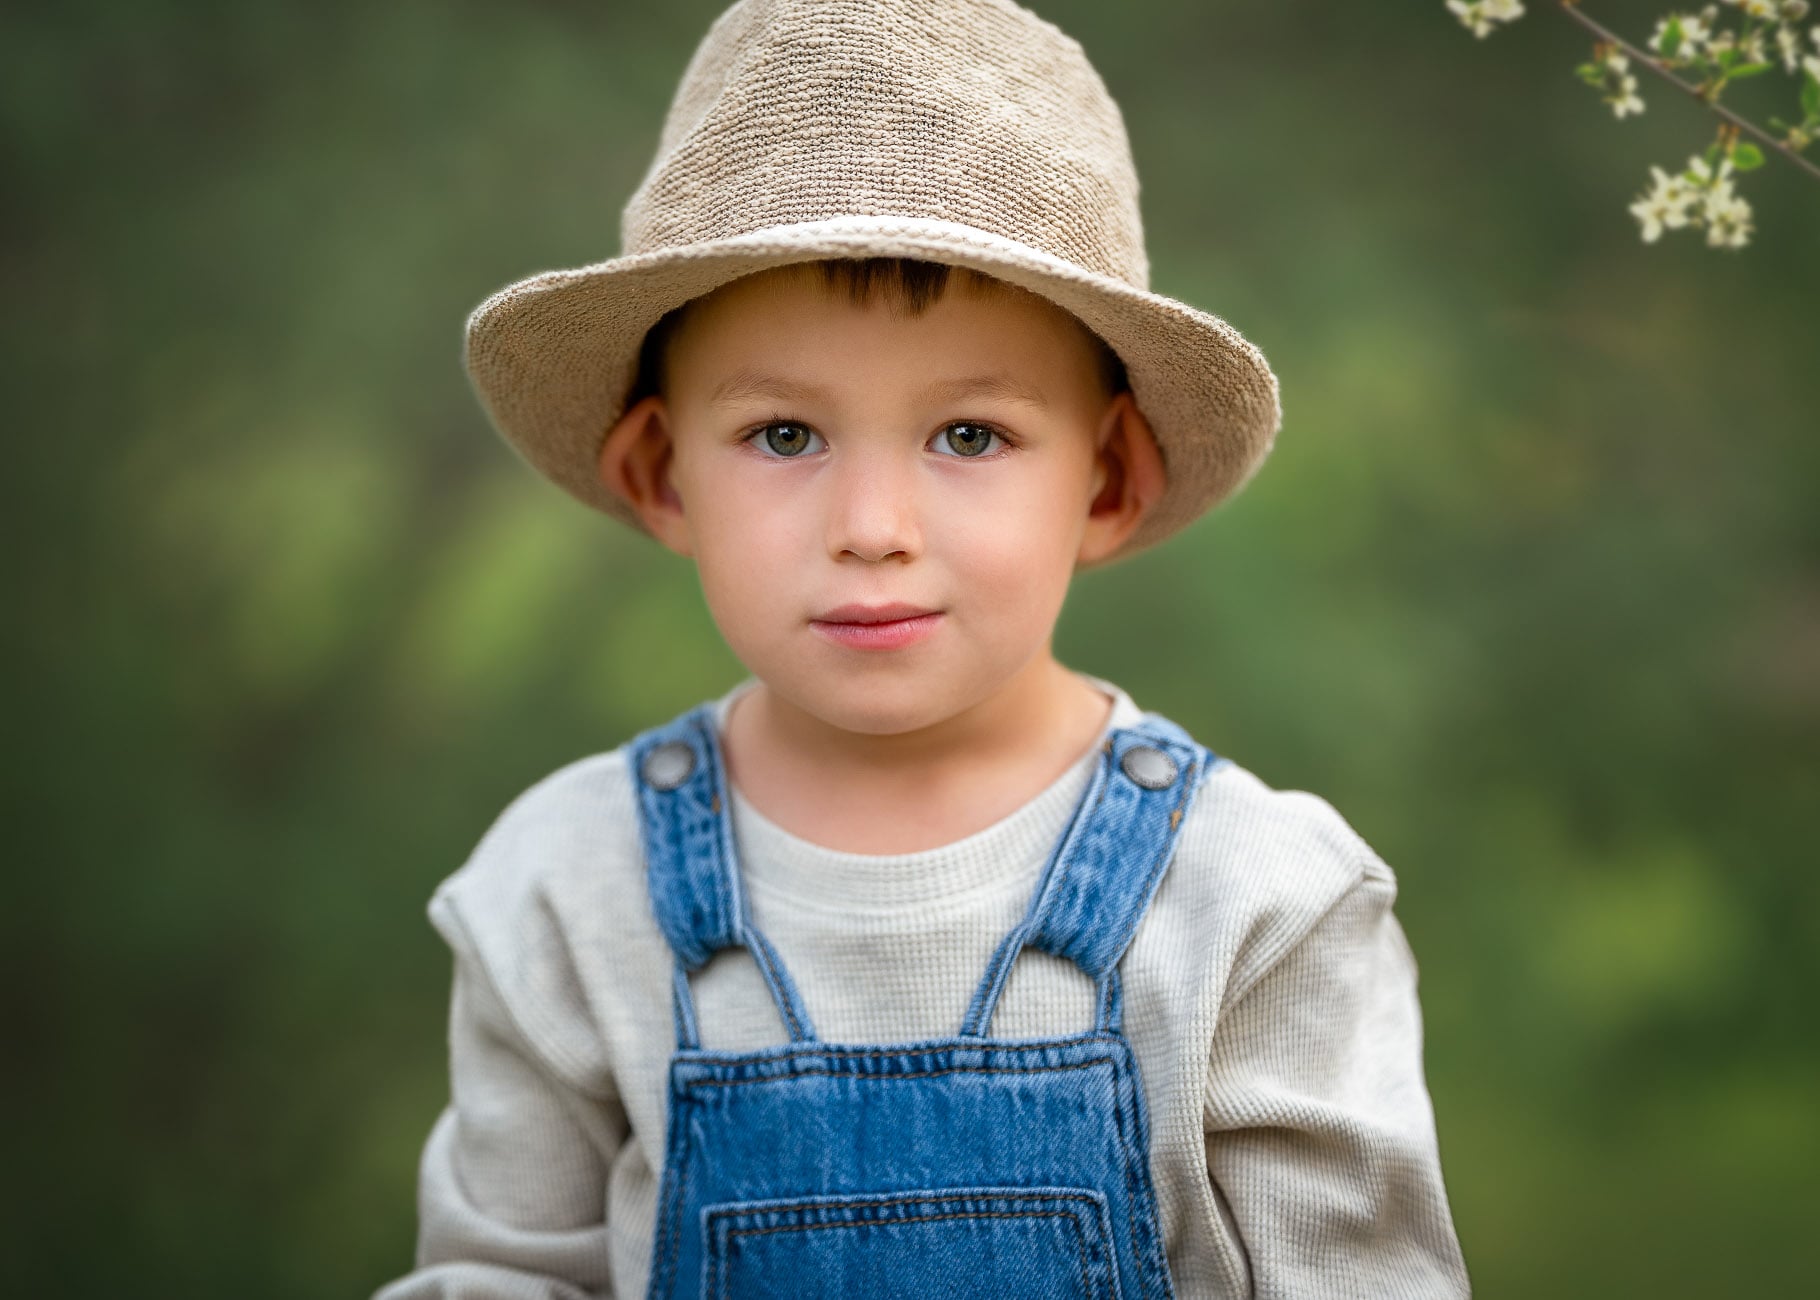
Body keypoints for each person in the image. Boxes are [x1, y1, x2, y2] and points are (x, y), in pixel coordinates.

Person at [375, 0, 1471, 1296]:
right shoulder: (570, 890)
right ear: (660, 476)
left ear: (1110, 479)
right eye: (784, 435)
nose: (873, 530)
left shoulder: (1254, 905)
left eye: (969, 436)